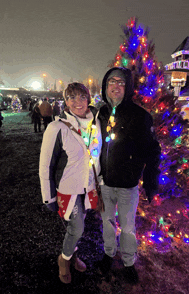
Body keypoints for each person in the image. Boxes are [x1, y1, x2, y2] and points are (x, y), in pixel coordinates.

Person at [97, 67, 161, 284]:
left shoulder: (140, 116)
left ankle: (128, 262)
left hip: (127, 186)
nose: (116, 86)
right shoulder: (100, 113)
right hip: (105, 184)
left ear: (128, 87)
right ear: (105, 87)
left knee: (128, 227)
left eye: (121, 82)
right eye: (111, 82)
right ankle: (108, 254)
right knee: (107, 223)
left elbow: (153, 151)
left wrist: (150, 183)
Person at [39, 83, 102, 284]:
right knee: (77, 228)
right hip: (69, 190)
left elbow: (99, 158)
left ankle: (73, 254)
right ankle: (64, 260)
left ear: (89, 99)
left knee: (79, 226)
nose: (77, 102)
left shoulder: (97, 124)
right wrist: (48, 196)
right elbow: (46, 165)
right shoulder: (56, 127)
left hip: (89, 187)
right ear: (65, 102)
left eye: (82, 97)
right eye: (71, 97)